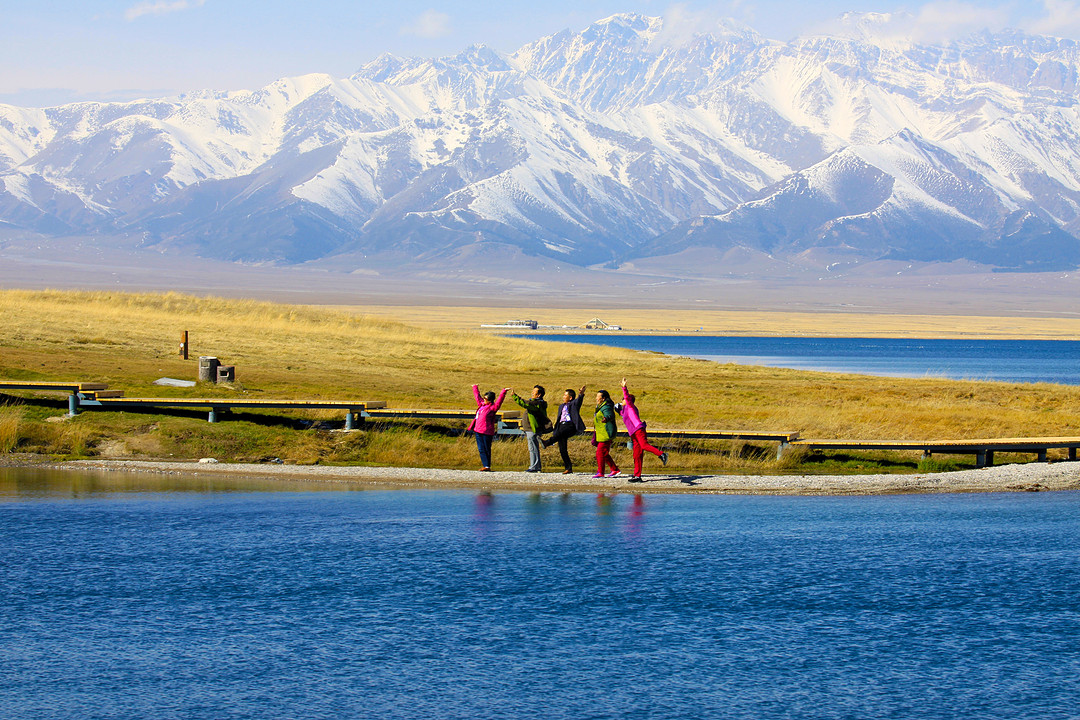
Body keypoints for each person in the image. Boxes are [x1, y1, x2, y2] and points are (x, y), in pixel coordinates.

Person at [616, 378, 668, 482]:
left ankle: (662, 454)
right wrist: (617, 409)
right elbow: (622, 413)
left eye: (623, 400)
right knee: (637, 454)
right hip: (633, 433)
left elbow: (626, 397)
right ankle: (637, 476)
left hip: (639, 430)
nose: (622, 401)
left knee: (644, 445)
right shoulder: (625, 410)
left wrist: (624, 387)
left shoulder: (631, 406)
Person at [542, 385, 586, 474]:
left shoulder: (573, 404)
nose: (563, 397)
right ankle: (568, 467)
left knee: (561, 433)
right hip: (561, 425)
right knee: (562, 448)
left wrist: (581, 394)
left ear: (570, 398)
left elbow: (579, 401)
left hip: (570, 425)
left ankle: (548, 442)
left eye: (565, 395)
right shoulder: (561, 406)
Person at [468, 384, 509, 471]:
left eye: (486, 399)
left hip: (486, 432)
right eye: (484, 398)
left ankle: (487, 466)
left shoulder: (493, 408)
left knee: (486, 448)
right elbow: (477, 397)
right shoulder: (481, 405)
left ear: (490, 400)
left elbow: (499, 401)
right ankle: (485, 465)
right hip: (478, 430)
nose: (484, 400)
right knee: (481, 449)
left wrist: (503, 392)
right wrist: (475, 387)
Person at [512, 385, 550, 472]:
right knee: (533, 447)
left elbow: (524, 403)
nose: (532, 393)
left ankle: (534, 467)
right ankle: (535, 466)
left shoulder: (537, 403)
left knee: (533, 448)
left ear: (539, 394)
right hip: (530, 429)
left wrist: (515, 396)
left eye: (534, 392)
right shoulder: (537, 403)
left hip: (532, 429)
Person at [593, 389, 621, 478]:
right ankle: (615, 469)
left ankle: (601, 472)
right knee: (604, 453)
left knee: (600, 452)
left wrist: (606, 418)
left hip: (606, 432)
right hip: (601, 432)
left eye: (598, 396)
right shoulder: (600, 406)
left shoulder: (606, 407)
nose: (596, 398)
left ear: (603, 398)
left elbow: (610, 415)